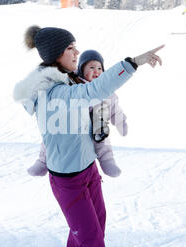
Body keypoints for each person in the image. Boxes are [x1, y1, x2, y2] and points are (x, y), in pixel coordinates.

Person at [14, 25, 164, 247]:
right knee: (91, 245)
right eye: (71, 48)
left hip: (87, 172)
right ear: (57, 55)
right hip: (69, 181)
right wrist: (133, 62)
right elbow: (97, 88)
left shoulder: (67, 81)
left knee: (90, 234)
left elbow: (95, 98)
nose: (77, 53)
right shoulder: (56, 93)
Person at [27, 49, 128, 178]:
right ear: (81, 70)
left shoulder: (107, 90)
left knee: (102, 140)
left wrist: (121, 122)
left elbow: (115, 107)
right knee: (53, 136)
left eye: (99, 68)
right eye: (91, 67)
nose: (96, 71)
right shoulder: (74, 84)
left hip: (97, 124)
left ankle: (107, 161)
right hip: (75, 122)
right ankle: (42, 162)